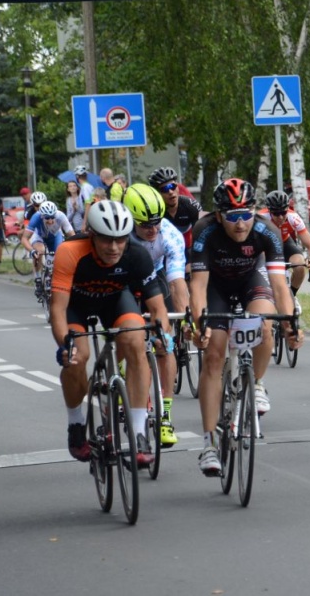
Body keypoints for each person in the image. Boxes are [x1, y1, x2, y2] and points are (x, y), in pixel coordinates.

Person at [189, 178, 300, 477]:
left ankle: (258, 382)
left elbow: (279, 286)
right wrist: (200, 324)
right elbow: (197, 288)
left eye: (246, 214)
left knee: (265, 326)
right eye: (233, 216)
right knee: (213, 355)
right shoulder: (205, 231)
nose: (240, 224)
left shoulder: (268, 231)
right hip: (216, 288)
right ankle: (209, 442)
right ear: (219, 215)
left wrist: (290, 325)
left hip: (252, 280)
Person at [50, 200, 171, 467]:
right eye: (106, 240)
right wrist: (64, 346)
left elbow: (157, 306)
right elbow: (57, 309)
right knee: (77, 358)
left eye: (120, 240)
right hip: (76, 307)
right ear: (92, 235)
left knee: (136, 342)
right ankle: (76, 424)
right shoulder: (69, 252)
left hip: (115, 301)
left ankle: (138, 434)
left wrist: (165, 335)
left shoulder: (136, 254)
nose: (114, 247)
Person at [123, 183, 187, 447]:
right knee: (129, 334)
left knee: (166, 343)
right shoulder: (120, 234)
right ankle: (121, 367)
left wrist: (184, 317)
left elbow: (177, 281)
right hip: (125, 279)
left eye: (156, 223)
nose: (152, 229)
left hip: (156, 277)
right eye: (145, 225)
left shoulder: (170, 236)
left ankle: (164, 415)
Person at [261, 190, 310, 306]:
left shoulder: (293, 218)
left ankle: (292, 295)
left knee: (299, 265)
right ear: (269, 211)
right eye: (276, 214)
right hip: (266, 245)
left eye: (283, 212)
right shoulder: (261, 218)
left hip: (285, 241)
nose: (281, 217)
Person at [21, 198, 75, 298]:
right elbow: (24, 239)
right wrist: (32, 251)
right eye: (47, 218)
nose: (50, 221)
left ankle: (54, 278)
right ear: (42, 216)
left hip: (55, 236)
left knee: (59, 254)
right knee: (40, 251)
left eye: (52, 218)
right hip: (39, 236)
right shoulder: (36, 217)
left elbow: (72, 236)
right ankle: (37, 278)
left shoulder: (61, 216)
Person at [149, 166, 202, 257]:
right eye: (164, 189)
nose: (170, 191)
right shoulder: (154, 210)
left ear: (178, 187)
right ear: (157, 193)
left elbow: (202, 236)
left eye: (172, 186)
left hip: (187, 245)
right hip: (163, 249)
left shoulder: (190, 205)